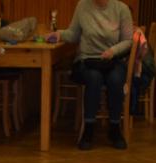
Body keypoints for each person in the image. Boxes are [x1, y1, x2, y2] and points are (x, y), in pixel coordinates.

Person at [48, 0, 134, 150]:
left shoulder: (121, 8)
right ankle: (88, 129)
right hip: (87, 59)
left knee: (115, 79)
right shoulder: (82, 5)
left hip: (113, 59)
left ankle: (114, 128)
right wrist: (59, 34)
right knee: (94, 77)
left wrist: (113, 51)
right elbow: (74, 34)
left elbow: (128, 40)